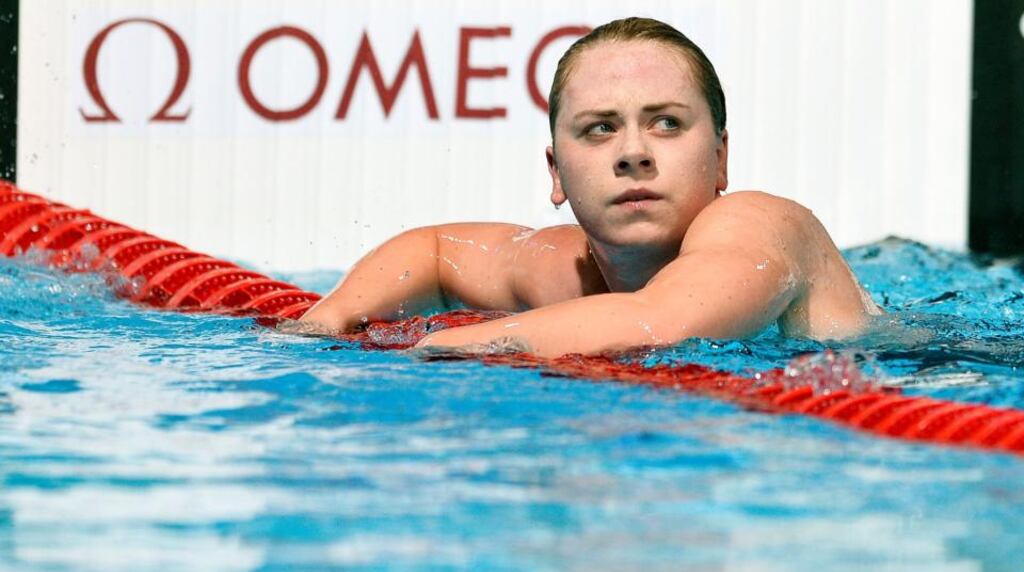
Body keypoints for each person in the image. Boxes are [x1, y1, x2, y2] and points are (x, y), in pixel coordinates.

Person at [295, 16, 883, 357]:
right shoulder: (567, 268)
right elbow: (436, 251)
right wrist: (330, 316)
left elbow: (663, 324)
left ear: (721, 157)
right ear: (557, 172)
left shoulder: (763, 225)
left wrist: (439, 348)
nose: (632, 152)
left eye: (667, 124)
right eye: (600, 129)